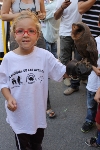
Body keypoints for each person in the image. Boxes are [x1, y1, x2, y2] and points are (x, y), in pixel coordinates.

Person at [0, 10, 68, 150]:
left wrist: (77, 68)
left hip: (37, 116)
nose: (26, 34)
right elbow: (3, 83)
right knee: (24, 147)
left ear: (37, 35)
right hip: (18, 116)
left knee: (37, 145)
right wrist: (8, 97)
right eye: (20, 31)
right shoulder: (8, 59)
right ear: (14, 34)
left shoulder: (44, 56)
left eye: (31, 31)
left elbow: (62, 72)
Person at [1, 0, 56, 118]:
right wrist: (23, 16)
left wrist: (41, 15)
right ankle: (17, 101)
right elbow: (3, 15)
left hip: (35, 35)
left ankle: (45, 104)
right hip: (19, 35)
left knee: (41, 71)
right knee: (18, 71)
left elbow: (43, 14)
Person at [78, 0, 100, 133]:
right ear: (98, 24)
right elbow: (87, 59)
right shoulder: (95, 42)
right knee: (91, 103)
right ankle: (89, 120)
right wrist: (94, 67)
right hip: (94, 80)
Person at [54, 0, 82, 95]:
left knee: (78, 59)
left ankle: (76, 82)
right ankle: (67, 77)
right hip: (65, 33)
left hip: (79, 33)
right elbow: (56, 16)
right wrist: (62, 7)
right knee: (65, 59)